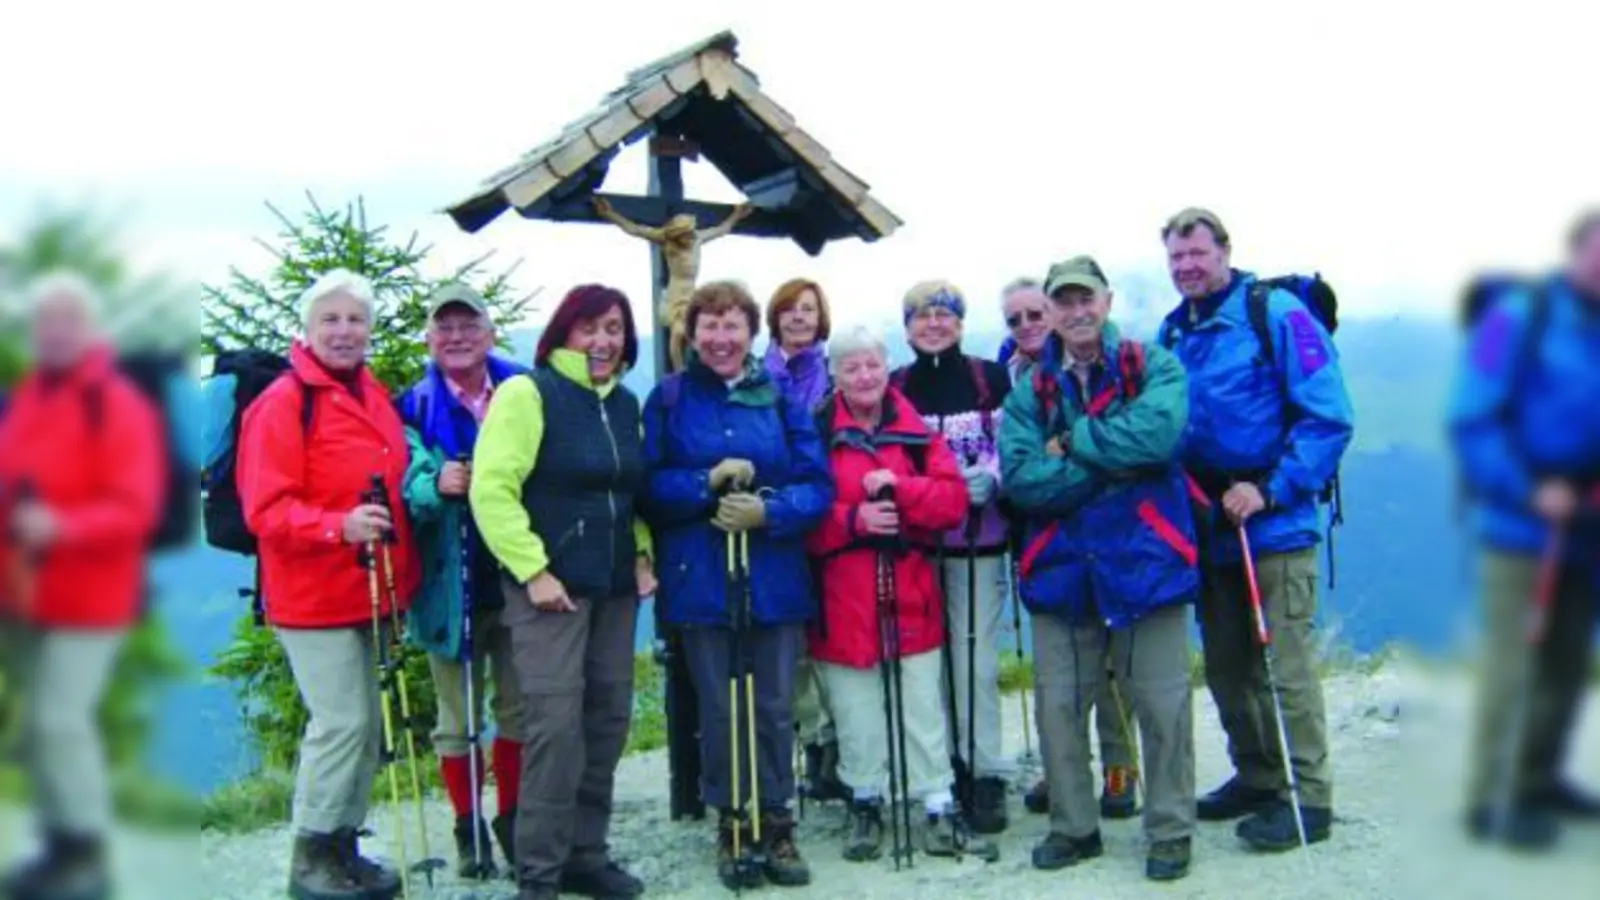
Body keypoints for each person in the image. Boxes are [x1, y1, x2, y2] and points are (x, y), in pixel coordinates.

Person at [1154, 208, 1354, 852]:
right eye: (1176, 258)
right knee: (1227, 665)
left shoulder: (1276, 316)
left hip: (1274, 518)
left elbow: (1329, 418)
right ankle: (1259, 775)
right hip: (1209, 522)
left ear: (1225, 252)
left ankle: (1311, 800)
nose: (1187, 267)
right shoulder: (1173, 331)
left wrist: (1268, 490)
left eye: (1197, 254)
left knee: (1286, 666)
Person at [999, 255, 1200, 881]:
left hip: (1146, 561)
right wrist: (1113, 458)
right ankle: (1074, 827)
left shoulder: (1153, 365)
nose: (1077, 311)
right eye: (1065, 302)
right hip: (1063, 566)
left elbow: (1159, 439)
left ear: (1107, 301)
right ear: (1052, 312)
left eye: (1086, 299)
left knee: (1161, 704)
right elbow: (1025, 480)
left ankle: (1169, 831)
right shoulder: (1029, 391)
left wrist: (1073, 442)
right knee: (1059, 706)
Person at [640, 280, 834, 890]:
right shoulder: (669, 398)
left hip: (772, 576)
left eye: (732, 326)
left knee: (775, 707)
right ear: (691, 335)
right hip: (699, 578)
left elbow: (818, 484)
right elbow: (645, 485)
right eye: (710, 327)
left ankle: (777, 823)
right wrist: (703, 485)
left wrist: (769, 512)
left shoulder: (778, 396)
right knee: (721, 709)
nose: (721, 339)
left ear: (752, 333)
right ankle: (730, 823)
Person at [235, 269, 420, 900]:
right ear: (307, 330)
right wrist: (337, 526)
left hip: (371, 591)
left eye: (355, 319)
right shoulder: (284, 403)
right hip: (312, 596)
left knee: (364, 727)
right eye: (331, 320)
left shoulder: (369, 393)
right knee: (341, 723)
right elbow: (264, 508)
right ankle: (310, 858)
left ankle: (341, 849)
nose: (344, 331)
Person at [469, 284, 656, 900]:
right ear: (563, 333)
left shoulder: (624, 404)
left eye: (613, 329)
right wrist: (533, 570)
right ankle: (539, 873)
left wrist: (642, 552)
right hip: (547, 592)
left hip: (613, 589)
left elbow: (624, 491)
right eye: (589, 329)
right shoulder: (529, 392)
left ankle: (586, 852)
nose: (603, 341)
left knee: (606, 719)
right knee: (554, 726)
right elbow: (492, 489)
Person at [0, 272, 165, 900]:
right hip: (24, 593)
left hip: (92, 596)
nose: (55, 331)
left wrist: (61, 526)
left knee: (61, 720)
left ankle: (86, 854)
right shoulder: (30, 397)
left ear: (90, 328)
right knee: (40, 727)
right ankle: (59, 846)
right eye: (45, 320)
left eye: (68, 319)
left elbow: (136, 506)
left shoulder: (113, 401)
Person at [807, 324, 995, 861]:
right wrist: (853, 518)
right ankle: (865, 799)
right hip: (843, 589)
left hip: (910, 582)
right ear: (835, 375)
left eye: (871, 365)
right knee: (854, 701)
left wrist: (900, 489)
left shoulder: (913, 431)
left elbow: (952, 502)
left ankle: (936, 800)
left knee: (920, 700)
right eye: (851, 367)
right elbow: (801, 513)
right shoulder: (816, 433)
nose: (864, 376)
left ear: (885, 368)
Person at [1448, 209, 1600, 850]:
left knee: (1567, 662)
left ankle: (1538, 778)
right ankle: (1492, 796)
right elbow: (1470, 419)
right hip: (1520, 526)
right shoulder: (1512, 316)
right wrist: (1531, 489)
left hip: (1589, 524)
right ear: (1578, 251)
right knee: (1514, 665)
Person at [397, 283, 530, 879]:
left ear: (489, 333)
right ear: (429, 338)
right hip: (448, 582)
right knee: (457, 717)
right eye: (444, 328)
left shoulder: (524, 391)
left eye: (467, 325)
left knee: (519, 708)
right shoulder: (412, 407)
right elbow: (400, 481)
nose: (456, 337)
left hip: (517, 576)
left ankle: (514, 820)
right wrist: (435, 485)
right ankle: (466, 826)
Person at [999, 276, 1143, 822]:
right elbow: (1016, 465)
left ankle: (1118, 768)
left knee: (1109, 656)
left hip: (1102, 528)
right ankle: (1064, 772)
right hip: (1036, 529)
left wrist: (1059, 452)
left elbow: (1107, 447)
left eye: (1035, 313)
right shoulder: (1008, 378)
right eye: (1014, 319)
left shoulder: (1099, 367)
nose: (1026, 326)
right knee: (1061, 665)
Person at [890, 279, 1013, 834]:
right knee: (925, 664)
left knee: (976, 661)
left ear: (961, 324)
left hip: (979, 542)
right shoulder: (897, 388)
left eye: (944, 315)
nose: (933, 324)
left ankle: (984, 773)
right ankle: (941, 771)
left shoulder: (990, 378)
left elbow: (1013, 444)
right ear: (908, 326)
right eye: (922, 316)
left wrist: (990, 478)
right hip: (918, 544)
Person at [760, 277, 848, 804]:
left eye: (808, 310)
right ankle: (813, 740)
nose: (798, 318)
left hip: (829, 518)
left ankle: (836, 744)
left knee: (831, 637)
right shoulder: (755, 376)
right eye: (789, 309)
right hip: (776, 522)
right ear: (774, 317)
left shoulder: (837, 373)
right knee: (791, 645)